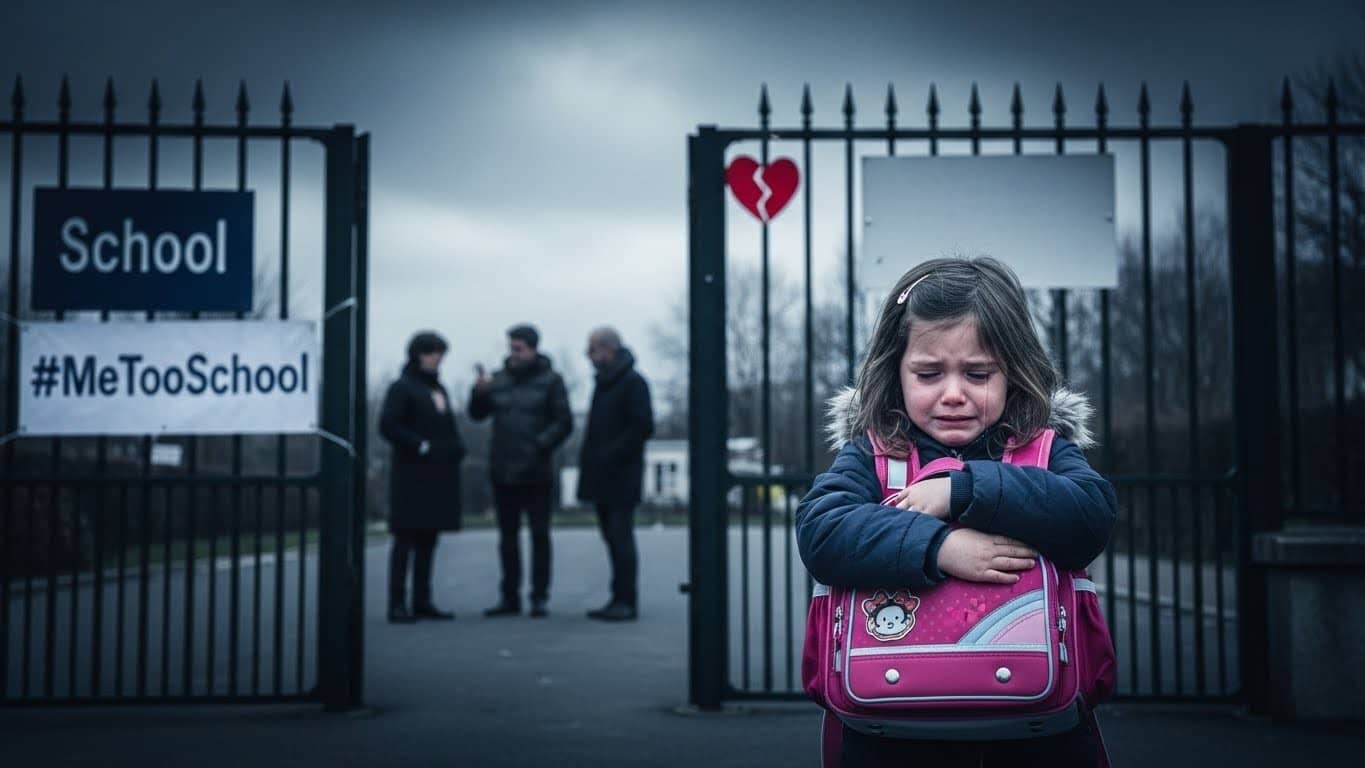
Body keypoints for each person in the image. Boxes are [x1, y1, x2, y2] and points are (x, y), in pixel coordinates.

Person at [796, 256, 1118, 767]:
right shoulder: (872, 455)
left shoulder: (1044, 451)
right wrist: (941, 547)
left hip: (1037, 736)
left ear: (1014, 372)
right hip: (890, 731)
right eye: (928, 373)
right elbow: (822, 530)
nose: (953, 394)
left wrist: (963, 490)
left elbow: (1091, 517)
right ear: (894, 372)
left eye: (977, 373)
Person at [469, 324, 573, 618]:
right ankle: (509, 596)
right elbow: (477, 415)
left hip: (537, 470)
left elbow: (563, 422)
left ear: (533, 348)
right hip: (503, 470)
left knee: (540, 535)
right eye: (511, 347)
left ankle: (539, 596)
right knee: (507, 537)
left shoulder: (551, 381)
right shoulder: (498, 380)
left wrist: (538, 446)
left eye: (519, 348)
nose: (513, 353)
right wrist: (479, 393)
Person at [379, 331, 466, 623]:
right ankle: (396, 603)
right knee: (405, 539)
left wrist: (455, 447)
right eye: (432, 353)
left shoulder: (438, 389)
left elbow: (447, 426)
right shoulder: (402, 388)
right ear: (418, 354)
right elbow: (388, 425)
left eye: (440, 353)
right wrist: (420, 445)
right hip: (410, 475)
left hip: (436, 475)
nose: (438, 358)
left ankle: (422, 600)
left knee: (429, 538)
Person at [577, 327, 654, 621]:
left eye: (592, 348)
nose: (589, 355)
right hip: (603, 476)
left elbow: (642, 426)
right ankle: (618, 597)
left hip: (621, 476)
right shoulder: (605, 383)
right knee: (612, 538)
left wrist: (610, 454)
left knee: (620, 538)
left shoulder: (633, 383)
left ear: (608, 349)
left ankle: (626, 600)